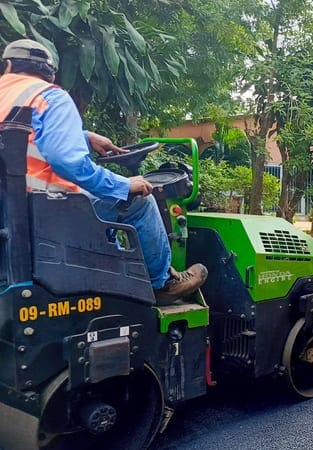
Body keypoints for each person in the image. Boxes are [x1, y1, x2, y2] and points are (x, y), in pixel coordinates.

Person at [0, 39, 206, 303]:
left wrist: (82, 136)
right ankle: (162, 283)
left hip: (12, 215)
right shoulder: (49, 96)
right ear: (50, 72)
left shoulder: (9, 96)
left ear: (7, 65)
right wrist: (123, 185)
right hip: (45, 214)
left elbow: (24, 135)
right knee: (140, 201)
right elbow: (68, 162)